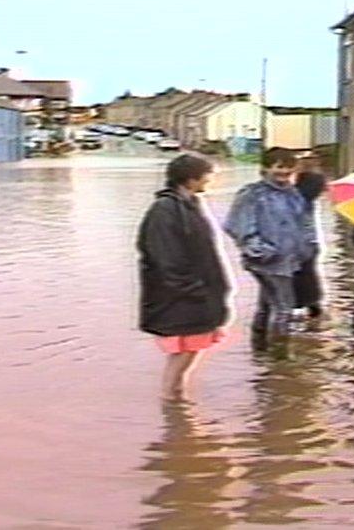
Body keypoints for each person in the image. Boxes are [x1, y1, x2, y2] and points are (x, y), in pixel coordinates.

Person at [137, 154, 231, 399]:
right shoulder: (165, 210)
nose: (211, 179)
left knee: (192, 347)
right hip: (180, 295)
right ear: (191, 179)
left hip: (196, 292)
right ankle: (171, 399)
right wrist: (193, 288)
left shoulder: (189, 204)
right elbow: (166, 258)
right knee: (183, 350)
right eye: (207, 174)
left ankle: (177, 398)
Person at [224, 147, 315, 350]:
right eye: (279, 168)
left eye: (289, 170)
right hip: (267, 261)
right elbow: (236, 225)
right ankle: (280, 359)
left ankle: (260, 349)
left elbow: (305, 222)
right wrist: (261, 250)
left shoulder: (293, 194)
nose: (284, 174)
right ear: (265, 168)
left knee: (267, 304)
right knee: (285, 308)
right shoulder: (252, 194)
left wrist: (309, 245)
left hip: (290, 259)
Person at [293, 151, 327, 324]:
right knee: (307, 276)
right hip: (308, 239)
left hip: (302, 240)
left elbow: (297, 204)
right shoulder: (311, 181)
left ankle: (308, 309)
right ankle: (312, 310)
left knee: (303, 275)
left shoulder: (307, 184)